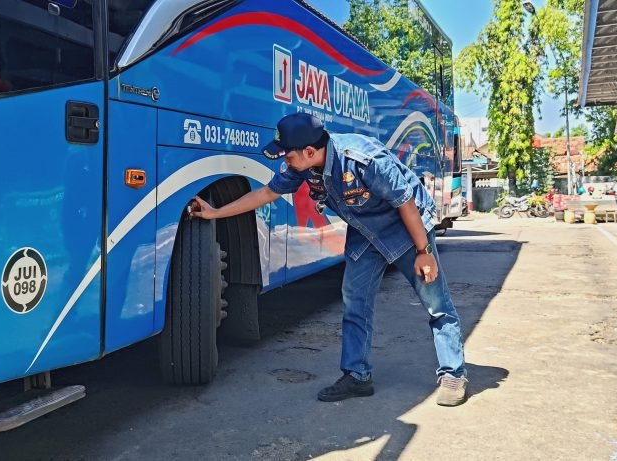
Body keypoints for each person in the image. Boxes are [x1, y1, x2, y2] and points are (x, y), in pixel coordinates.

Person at [189, 113, 468, 406]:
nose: (285, 162)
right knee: (355, 301)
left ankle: (453, 373)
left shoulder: (363, 160)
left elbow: (405, 202)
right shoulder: (302, 166)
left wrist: (424, 253)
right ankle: (357, 375)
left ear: (310, 151)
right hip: (366, 230)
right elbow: (268, 192)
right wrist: (215, 212)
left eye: (288, 156)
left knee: (436, 303)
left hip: (407, 226)